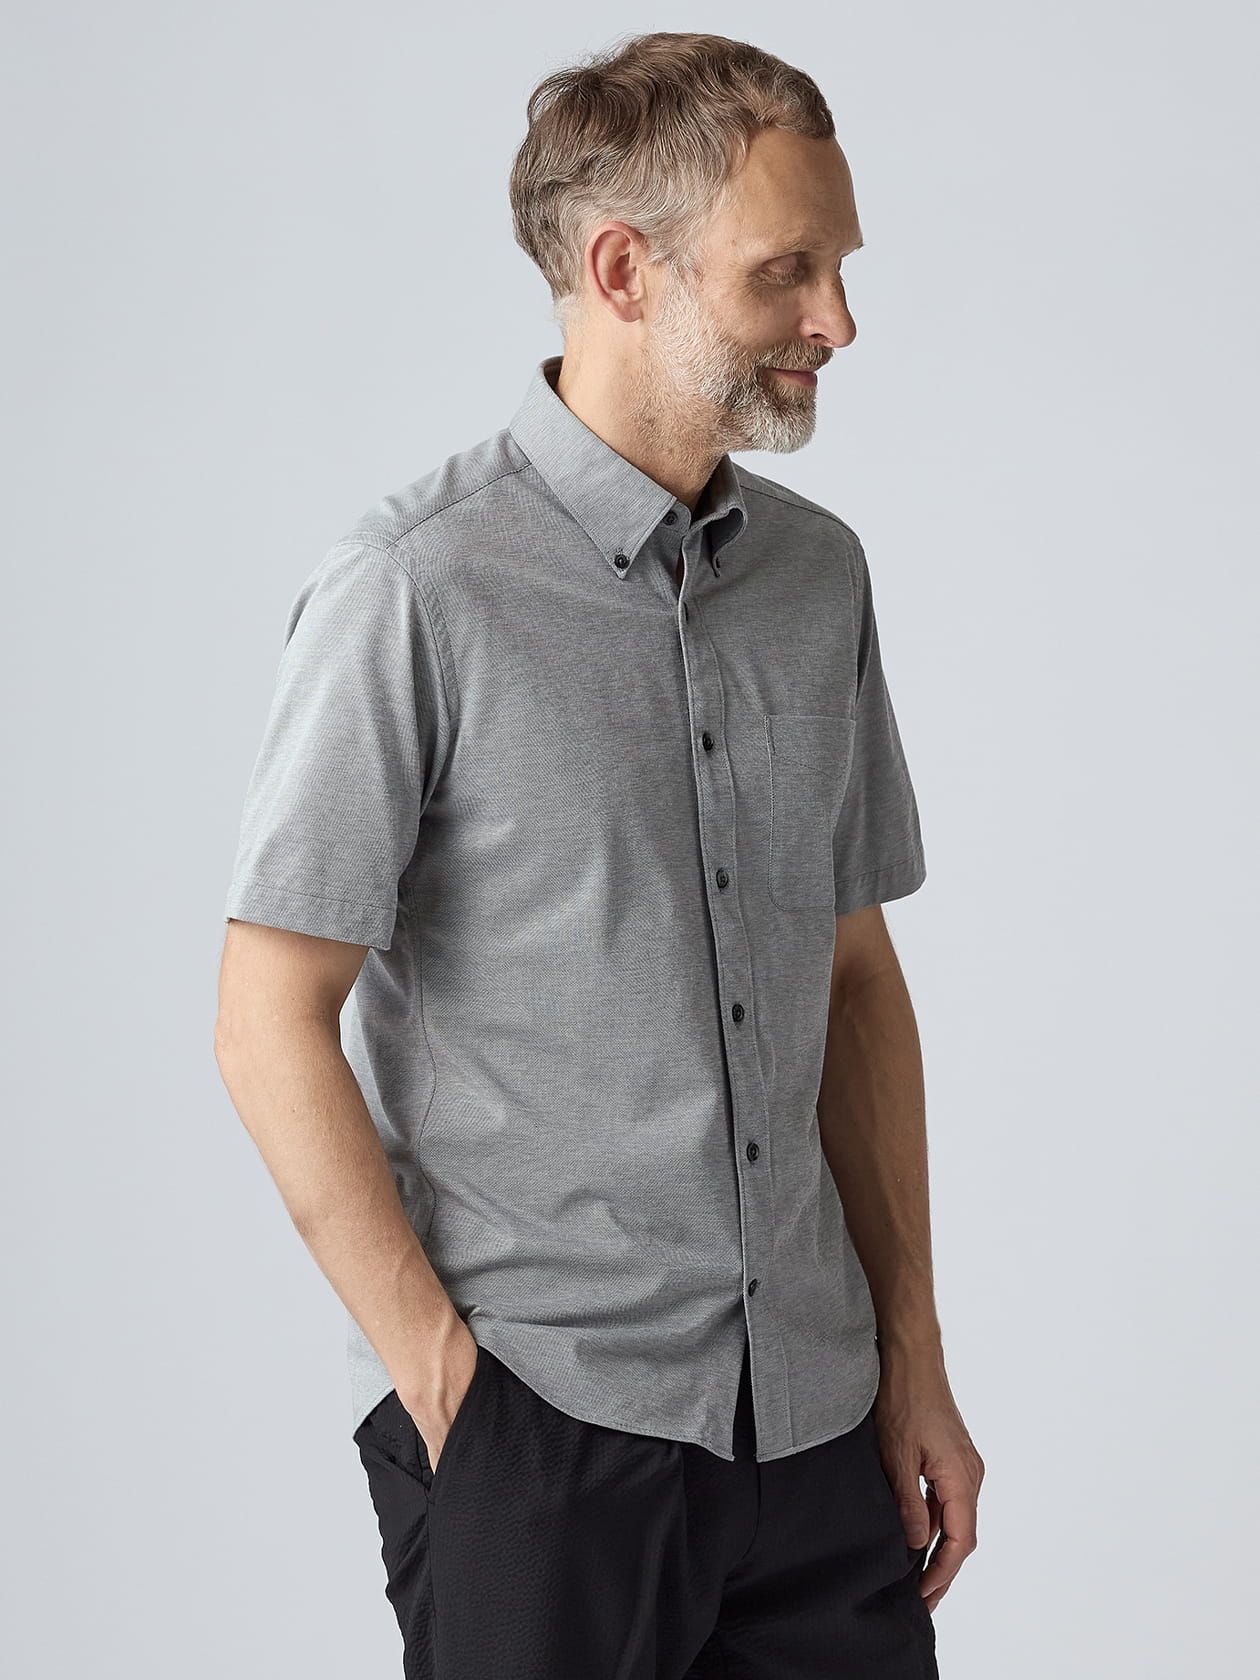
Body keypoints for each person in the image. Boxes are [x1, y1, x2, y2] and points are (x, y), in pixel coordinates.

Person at [214, 29, 982, 1679]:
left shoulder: (821, 579)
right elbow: (267, 1016)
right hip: (546, 1437)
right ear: (626, 270)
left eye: (840, 268)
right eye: (788, 272)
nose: (839, 322)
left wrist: (914, 1356)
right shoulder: (416, 590)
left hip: (821, 1432)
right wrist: (452, 1397)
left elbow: (854, 977)